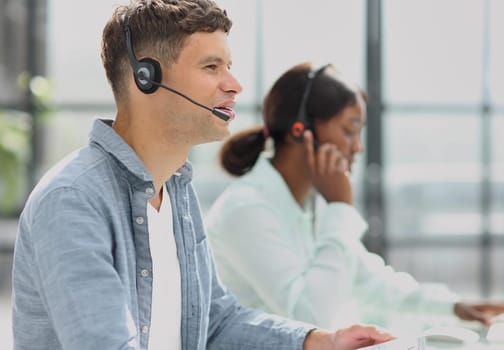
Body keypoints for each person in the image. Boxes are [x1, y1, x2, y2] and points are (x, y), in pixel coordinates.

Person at [10, 1, 395, 349]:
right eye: (212, 67)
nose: (234, 84)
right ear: (147, 76)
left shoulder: (176, 191)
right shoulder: (73, 200)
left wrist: (321, 341)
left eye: (229, 66)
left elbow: (216, 320)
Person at [205, 62, 504, 330]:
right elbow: (310, 317)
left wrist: (456, 307)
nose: (358, 147)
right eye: (349, 130)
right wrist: (340, 207)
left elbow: (369, 280)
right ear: (300, 129)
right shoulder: (247, 209)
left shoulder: (310, 205)